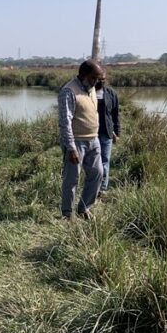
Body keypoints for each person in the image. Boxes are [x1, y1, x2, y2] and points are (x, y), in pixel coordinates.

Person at [58, 60, 104, 219]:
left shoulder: (91, 89)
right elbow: (65, 122)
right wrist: (71, 148)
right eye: (93, 78)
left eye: (98, 79)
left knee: (97, 173)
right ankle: (67, 214)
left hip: (94, 140)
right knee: (72, 179)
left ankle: (84, 208)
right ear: (83, 75)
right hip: (77, 142)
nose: (96, 82)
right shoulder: (69, 91)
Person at [95, 72, 120, 196]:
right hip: (91, 134)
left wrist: (117, 132)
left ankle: (102, 189)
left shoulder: (111, 94)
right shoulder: (86, 93)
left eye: (103, 79)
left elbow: (115, 115)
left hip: (106, 133)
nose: (101, 81)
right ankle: (92, 186)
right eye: (99, 79)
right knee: (93, 162)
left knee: (105, 161)